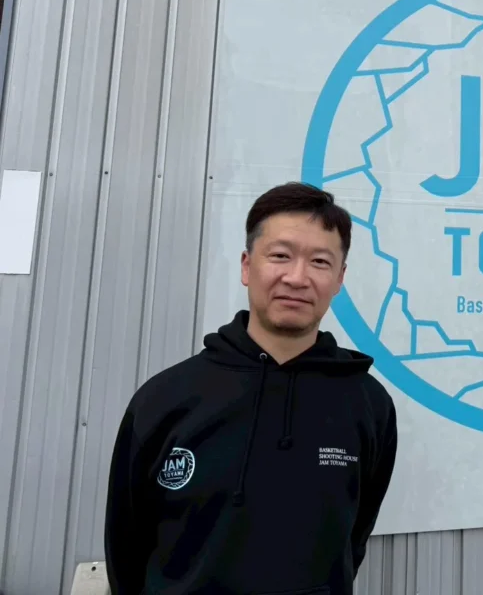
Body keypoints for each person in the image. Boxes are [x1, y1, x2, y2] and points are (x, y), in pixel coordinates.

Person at [104, 182, 398, 595]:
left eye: (319, 262)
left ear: (339, 279)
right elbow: (127, 548)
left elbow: (354, 536)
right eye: (280, 256)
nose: (297, 278)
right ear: (247, 266)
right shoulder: (165, 399)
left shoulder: (368, 404)